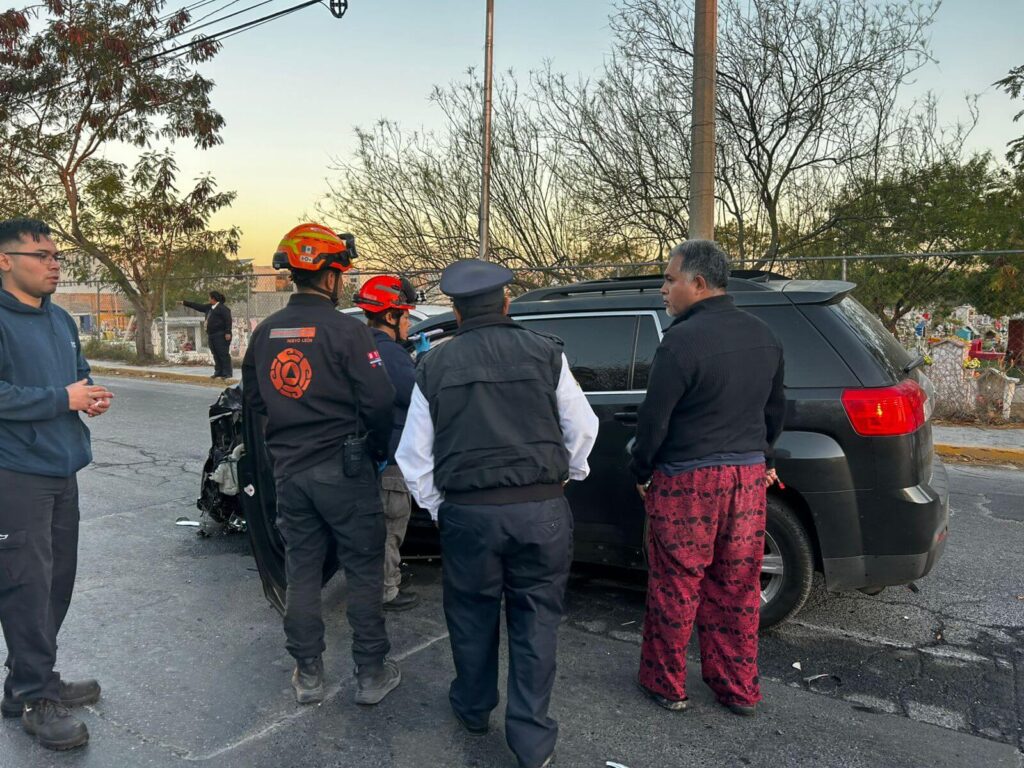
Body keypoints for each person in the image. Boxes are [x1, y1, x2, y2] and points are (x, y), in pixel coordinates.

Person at [396, 259, 598, 768]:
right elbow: (582, 427)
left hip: (469, 514)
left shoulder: (434, 365)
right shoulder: (546, 353)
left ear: (456, 313)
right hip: (541, 511)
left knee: (471, 616)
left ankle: (472, 708)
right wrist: (563, 478)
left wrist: (442, 508)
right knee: (537, 622)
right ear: (506, 303)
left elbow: (413, 457)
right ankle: (531, 742)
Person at [241, 223, 400, 707]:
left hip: (291, 472)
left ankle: (308, 673)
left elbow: (255, 401)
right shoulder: (349, 331)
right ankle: (371, 673)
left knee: (303, 571)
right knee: (364, 570)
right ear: (330, 276)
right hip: (345, 470)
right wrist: (374, 451)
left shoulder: (265, 332)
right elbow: (380, 401)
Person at [629, 240, 785, 717]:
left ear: (697, 283)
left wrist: (642, 470)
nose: (663, 289)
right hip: (747, 481)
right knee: (737, 587)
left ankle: (667, 685)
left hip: (688, 483)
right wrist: (763, 457)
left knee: (676, 586)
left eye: (669, 279)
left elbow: (654, 421)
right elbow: (775, 411)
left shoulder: (680, 341)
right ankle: (738, 689)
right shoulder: (764, 335)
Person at [0, 218, 114, 751]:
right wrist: (61, 399)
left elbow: (77, 374)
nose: (54, 264)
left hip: (62, 466)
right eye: (41, 255)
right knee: (26, 585)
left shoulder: (60, 318)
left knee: (56, 581)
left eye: (56, 255)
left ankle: (27, 680)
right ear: (5, 260)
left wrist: (88, 394)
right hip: (14, 473)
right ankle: (35, 697)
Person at [354, 275, 422, 612]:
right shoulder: (391, 354)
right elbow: (416, 396)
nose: (409, 323)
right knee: (391, 524)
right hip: (390, 455)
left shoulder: (358, 346)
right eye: (405, 316)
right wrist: (421, 364)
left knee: (372, 526)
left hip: (361, 455)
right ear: (390, 316)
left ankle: (374, 583)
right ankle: (386, 590)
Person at [183, 290, 233, 379]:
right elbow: (198, 306)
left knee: (223, 354)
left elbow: (228, 320)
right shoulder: (209, 307)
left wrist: (228, 332)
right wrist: (185, 303)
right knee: (215, 354)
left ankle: (227, 372)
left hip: (221, 334)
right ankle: (218, 371)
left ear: (213, 298)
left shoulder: (223, 309)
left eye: (209, 297)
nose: (208, 299)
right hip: (211, 334)